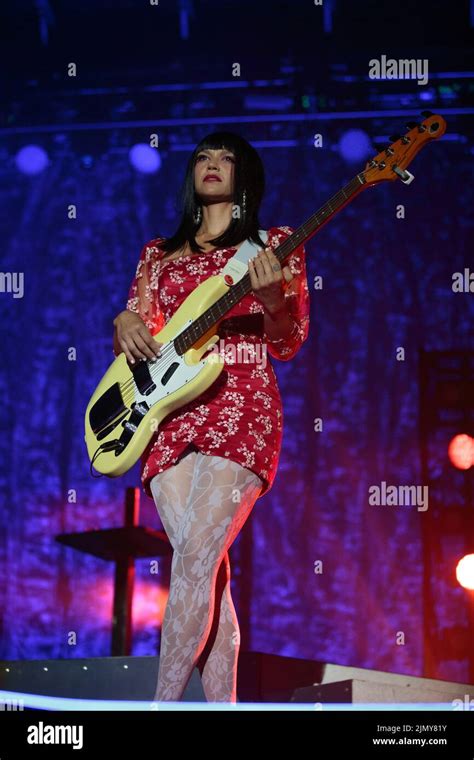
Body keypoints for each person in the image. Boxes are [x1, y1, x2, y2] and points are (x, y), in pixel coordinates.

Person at [112, 131, 310, 703]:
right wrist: (122, 323)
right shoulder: (158, 253)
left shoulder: (273, 244)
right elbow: (139, 327)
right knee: (206, 574)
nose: (213, 164)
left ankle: (160, 707)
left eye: (227, 158)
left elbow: (289, 341)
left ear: (245, 175)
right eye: (203, 156)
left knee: (197, 557)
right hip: (167, 415)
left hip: (240, 401)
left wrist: (275, 301)